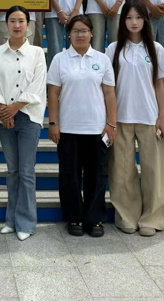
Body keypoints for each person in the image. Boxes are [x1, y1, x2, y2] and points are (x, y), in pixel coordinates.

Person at [105, 0, 164, 237]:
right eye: (129, 17)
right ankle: (127, 216)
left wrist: (162, 117)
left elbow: (159, 85)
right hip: (121, 116)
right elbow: (108, 88)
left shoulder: (156, 49)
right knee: (121, 170)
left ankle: (152, 217)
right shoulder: (113, 49)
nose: (134, 22)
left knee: (153, 169)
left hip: (149, 116)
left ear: (146, 20)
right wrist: (109, 120)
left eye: (139, 17)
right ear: (123, 20)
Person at [47, 15, 116, 237]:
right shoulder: (60, 59)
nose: (80, 35)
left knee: (97, 175)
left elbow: (109, 93)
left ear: (92, 33)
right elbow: (53, 93)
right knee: (70, 175)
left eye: (84, 31)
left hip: (97, 128)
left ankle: (95, 219)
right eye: (75, 31)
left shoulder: (102, 59)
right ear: (68, 34)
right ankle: (74, 217)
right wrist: (53, 122)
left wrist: (111, 124)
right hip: (68, 128)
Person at [0, 6, 46, 241]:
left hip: (28, 117)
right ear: (6, 24)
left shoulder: (37, 53)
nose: (17, 25)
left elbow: (37, 86)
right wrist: (5, 110)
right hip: (5, 118)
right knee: (12, 170)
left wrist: (14, 108)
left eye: (21, 21)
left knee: (26, 171)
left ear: (28, 25)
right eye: (12, 21)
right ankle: (11, 220)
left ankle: (26, 223)